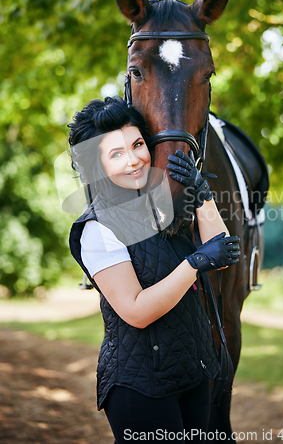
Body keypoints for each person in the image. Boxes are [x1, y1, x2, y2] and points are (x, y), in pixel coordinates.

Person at [68, 96, 240, 443]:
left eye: (137, 144)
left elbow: (223, 248)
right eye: (116, 154)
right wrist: (194, 263)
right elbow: (136, 310)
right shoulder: (97, 229)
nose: (134, 161)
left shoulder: (161, 206)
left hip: (192, 376)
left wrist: (201, 192)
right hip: (140, 388)